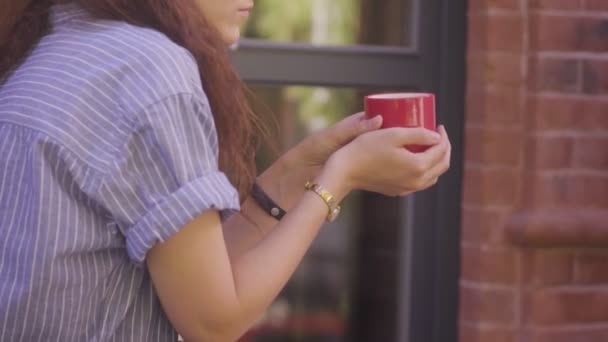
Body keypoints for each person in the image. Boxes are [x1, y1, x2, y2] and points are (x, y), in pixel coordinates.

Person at [0, 0, 451, 341]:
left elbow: (200, 275)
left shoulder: (53, 44)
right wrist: (338, 181)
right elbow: (212, 322)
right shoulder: (151, 68)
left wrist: (299, 171)